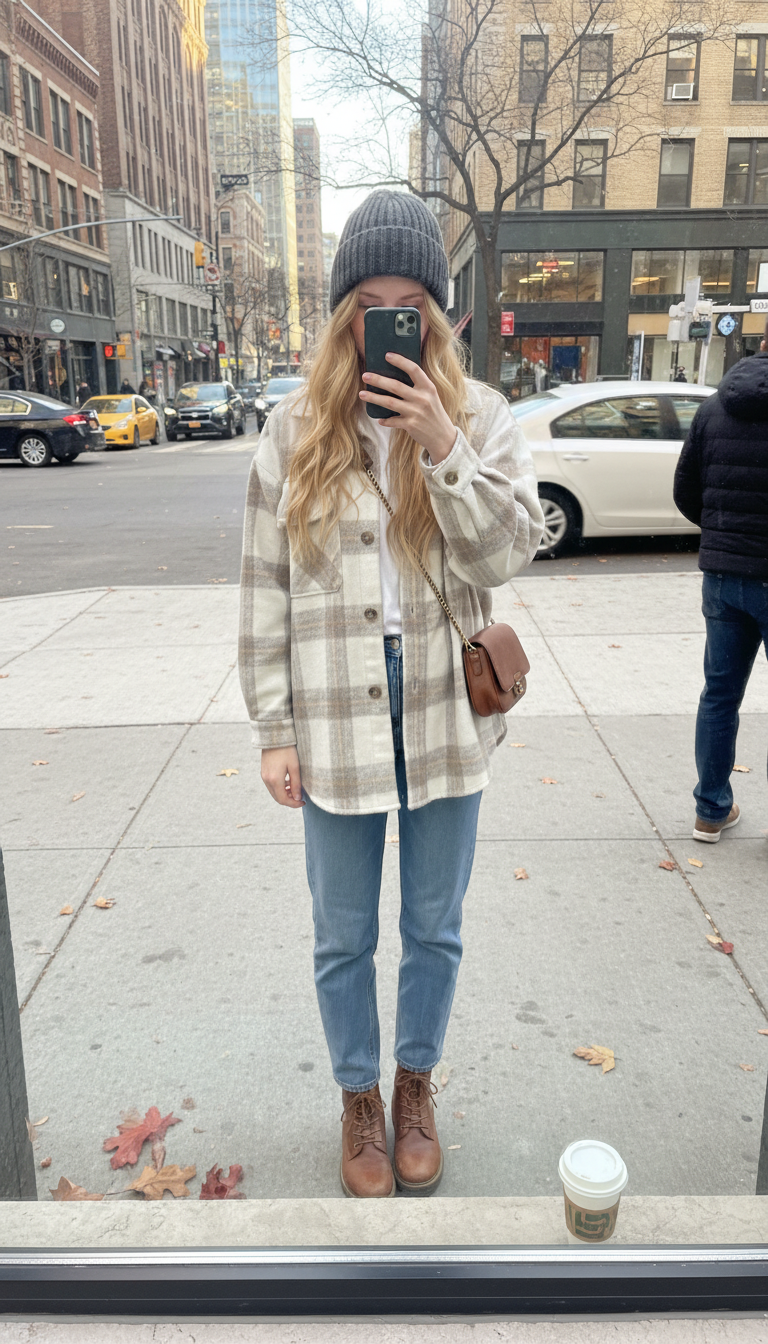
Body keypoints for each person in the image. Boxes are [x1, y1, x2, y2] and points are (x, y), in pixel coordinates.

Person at [239, 191, 544, 1198]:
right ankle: (358, 1099)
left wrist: (442, 447)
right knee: (341, 934)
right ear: (342, 316)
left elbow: (511, 553)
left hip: (447, 713)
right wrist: (273, 728)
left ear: (441, 315)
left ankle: (416, 1085)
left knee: (433, 925)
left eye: (410, 304)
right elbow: (263, 589)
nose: (389, 324)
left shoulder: (484, 419)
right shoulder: (291, 430)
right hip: (333, 714)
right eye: (369, 305)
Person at [673, 322, 768, 843]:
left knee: (720, 695)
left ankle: (711, 809)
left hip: (724, 574)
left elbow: (686, 490)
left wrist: (722, 532)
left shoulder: (715, 407)